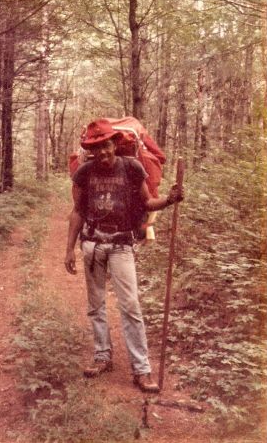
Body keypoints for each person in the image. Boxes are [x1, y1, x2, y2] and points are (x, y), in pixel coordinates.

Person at [64, 118, 184, 393]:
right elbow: (78, 212)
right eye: (97, 149)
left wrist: (168, 199)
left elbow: (147, 202)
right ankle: (102, 356)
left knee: (130, 306)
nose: (103, 153)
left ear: (114, 144)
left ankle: (141, 370)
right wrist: (69, 249)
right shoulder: (84, 172)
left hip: (121, 245)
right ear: (91, 150)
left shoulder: (131, 167)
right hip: (92, 245)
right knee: (96, 306)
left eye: (106, 146)